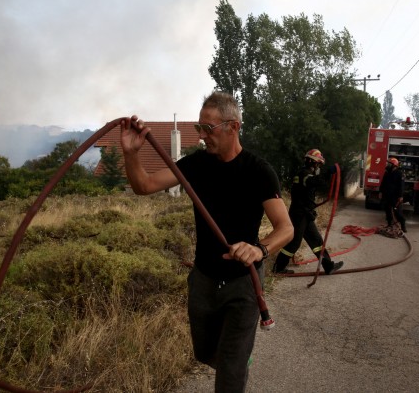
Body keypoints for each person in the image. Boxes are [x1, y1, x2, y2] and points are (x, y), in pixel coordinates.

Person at [120, 91, 293, 393]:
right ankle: (233, 359)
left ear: (233, 127)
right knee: (204, 353)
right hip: (203, 281)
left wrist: (259, 248)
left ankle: (235, 364)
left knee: (229, 372)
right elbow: (144, 186)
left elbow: (286, 228)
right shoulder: (196, 164)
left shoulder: (258, 171)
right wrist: (131, 153)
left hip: (243, 284)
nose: (202, 137)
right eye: (199, 128)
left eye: (208, 129)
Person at [272, 149, 344, 275]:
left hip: (304, 214)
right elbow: (318, 182)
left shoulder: (302, 174)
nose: (318, 167)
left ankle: (328, 266)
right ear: (313, 163)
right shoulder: (305, 175)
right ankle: (278, 268)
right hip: (300, 215)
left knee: (316, 241)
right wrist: (329, 172)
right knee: (294, 243)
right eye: (318, 164)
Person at [379, 157, 407, 232]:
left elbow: (401, 186)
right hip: (387, 195)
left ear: (394, 165)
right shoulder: (387, 173)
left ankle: (403, 226)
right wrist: (381, 192)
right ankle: (389, 224)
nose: (387, 165)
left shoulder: (399, 174)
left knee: (398, 212)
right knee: (387, 211)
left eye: (389, 163)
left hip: (395, 197)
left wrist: (401, 196)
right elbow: (383, 183)